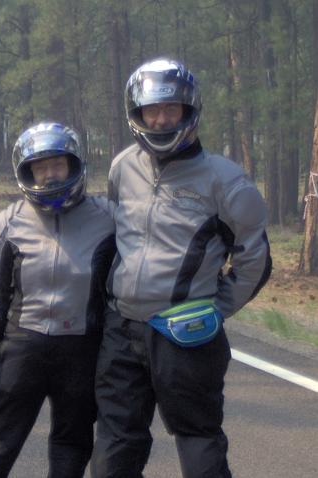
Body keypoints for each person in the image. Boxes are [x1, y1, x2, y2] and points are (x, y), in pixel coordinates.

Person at [91, 58, 272, 478]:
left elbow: (255, 260)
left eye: (170, 109)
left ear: (189, 111)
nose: (160, 120)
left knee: (198, 442)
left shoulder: (226, 181)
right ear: (136, 114)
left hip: (186, 334)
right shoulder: (122, 167)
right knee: (115, 446)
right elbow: (116, 239)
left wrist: (215, 309)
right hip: (122, 330)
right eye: (150, 110)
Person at [0, 122, 117, 478]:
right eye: (40, 167)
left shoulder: (108, 217)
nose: (49, 175)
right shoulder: (10, 220)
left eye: (57, 164)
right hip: (23, 345)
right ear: (27, 172)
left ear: (74, 165)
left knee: (71, 445)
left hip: (81, 349)